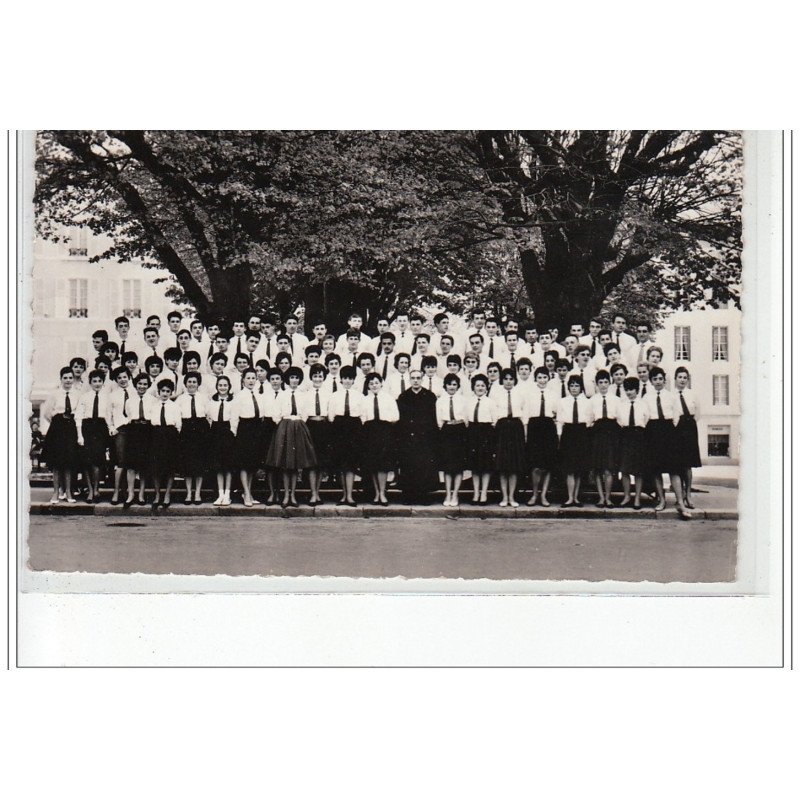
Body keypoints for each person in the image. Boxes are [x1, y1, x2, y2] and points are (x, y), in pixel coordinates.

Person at [642, 366, 691, 519]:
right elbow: (644, 416)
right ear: (651, 381)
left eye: (660, 379)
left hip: (669, 431)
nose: (658, 382)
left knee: (673, 469)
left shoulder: (671, 397)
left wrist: (670, 431)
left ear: (664, 380)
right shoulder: (646, 398)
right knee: (656, 469)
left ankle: (680, 502)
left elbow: (676, 416)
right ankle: (662, 500)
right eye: (655, 379)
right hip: (653, 431)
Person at [266, 366, 317, 508]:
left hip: (298, 426)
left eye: (296, 378)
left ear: (300, 380)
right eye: (292, 377)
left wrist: (298, 423)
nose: (294, 380)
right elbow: (276, 413)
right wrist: (284, 424)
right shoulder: (282, 394)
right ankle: (285, 495)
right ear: (287, 380)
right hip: (285, 426)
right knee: (285, 465)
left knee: (294, 465)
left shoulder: (303, 395)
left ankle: (293, 495)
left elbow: (305, 413)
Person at [396, 369, 440, 504]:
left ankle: (423, 496)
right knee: (408, 466)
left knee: (423, 466)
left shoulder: (429, 396)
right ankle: (409, 496)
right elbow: (401, 419)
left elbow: (433, 418)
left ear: (422, 379)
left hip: (424, 438)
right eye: (413, 378)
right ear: (409, 380)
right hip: (408, 438)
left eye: (418, 378)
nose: (416, 380)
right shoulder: (403, 397)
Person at [40, 366, 81, 504]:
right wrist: (58, 423)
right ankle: (56, 493)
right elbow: (46, 413)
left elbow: (79, 412)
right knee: (57, 463)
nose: (68, 380)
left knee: (69, 462)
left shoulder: (77, 394)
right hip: (58, 429)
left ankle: (68, 492)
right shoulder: (55, 394)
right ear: (61, 379)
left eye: (70, 378)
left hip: (71, 428)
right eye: (65, 378)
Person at [360, 372, 400, 506]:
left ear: (381, 383)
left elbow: (395, 416)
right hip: (370, 431)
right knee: (373, 464)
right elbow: (362, 417)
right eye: (371, 383)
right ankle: (376, 493)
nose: (374, 385)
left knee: (382, 464)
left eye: (376, 382)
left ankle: (383, 493)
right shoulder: (364, 399)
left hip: (384, 430)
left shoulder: (389, 398)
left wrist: (385, 427)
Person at [327, 365, 363, 506]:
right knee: (341, 464)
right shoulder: (335, 396)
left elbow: (362, 414)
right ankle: (343, 495)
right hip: (339, 428)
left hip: (354, 428)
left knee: (351, 464)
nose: (347, 381)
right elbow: (331, 416)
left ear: (353, 380)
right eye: (345, 378)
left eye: (350, 378)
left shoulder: (359, 396)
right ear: (341, 380)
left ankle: (350, 495)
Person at [230, 368, 266, 507]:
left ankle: (249, 492)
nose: (251, 380)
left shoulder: (259, 395)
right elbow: (234, 418)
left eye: (253, 378)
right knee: (244, 463)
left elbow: (261, 413)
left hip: (256, 428)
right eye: (248, 378)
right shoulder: (239, 397)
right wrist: (236, 434)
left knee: (252, 464)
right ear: (243, 380)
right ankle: (245, 492)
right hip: (245, 429)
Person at [75, 369, 111, 503]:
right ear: (90, 383)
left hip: (100, 428)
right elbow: (78, 416)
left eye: (99, 381)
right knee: (86, 462)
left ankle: (96, 489)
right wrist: (80, 435)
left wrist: (110, 429)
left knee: (97, 461)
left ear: (103, 382)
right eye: (94, 381)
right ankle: (89, 490)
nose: (97, 383)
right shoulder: (85, 397)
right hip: (87, 427)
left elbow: (108, 416)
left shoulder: (107, 397)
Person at [492, 367, 527, 507]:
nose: (508, 382)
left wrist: (524, 431)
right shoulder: (496, 394)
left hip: (516, 428)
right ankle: (504, 497)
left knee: (513, 466)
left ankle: (512, 497)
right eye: (505, 379)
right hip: (502, 428)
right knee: (503, 465)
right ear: (502, 380)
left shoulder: (520, 393)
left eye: (511, 379)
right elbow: (494, 412)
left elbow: (525, 411)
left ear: (515, 380)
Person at [557, 375, 593, 507]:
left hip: (581, 433)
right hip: (568, 433)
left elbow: (590, 419)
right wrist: (560, 436)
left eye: (576, 385)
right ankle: (569, 497)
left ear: (581, 387)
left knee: (578, 468)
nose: (574, 388)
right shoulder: (563, 401)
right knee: (569, 468)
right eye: (571, 385)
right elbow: (560, 420)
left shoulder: (587, 402)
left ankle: (576, 498)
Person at [525, 366, 558, 507]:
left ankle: (544, 495)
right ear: (535, 379)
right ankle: (534, 494)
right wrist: (526, 433)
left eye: (545, 377)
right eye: (539, 377)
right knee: (536, 465)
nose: (542, 380)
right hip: (534, 427)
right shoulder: (530, 394)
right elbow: (526, 415)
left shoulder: (553, 394)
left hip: (548, 426)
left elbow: (557, 413)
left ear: (549, 379)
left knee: (547, 465)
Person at [121, 373, 156, 508]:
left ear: (148, 385)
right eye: (140, 384)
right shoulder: (129, 401)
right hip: (133, 431)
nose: (142, 386)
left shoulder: (153, 400)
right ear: (135, 385)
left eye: (145, 384)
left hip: (147, 431)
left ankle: (141, 494)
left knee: (143, 465)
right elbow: (128, 415)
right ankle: (131, 494)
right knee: (131, 465)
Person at [588, 370, 621, 508]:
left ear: (610, 383)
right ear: (596, 384)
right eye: (600, 382)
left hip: (612, 431)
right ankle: (601, 498)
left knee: (609, 468)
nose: (603, 385)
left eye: (605, 382)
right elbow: (589, 420)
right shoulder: (592, 400)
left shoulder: (617, 400)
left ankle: (608, 498)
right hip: (597, 432)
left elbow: (620, 419)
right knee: (598, 468)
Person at [177, 372, 210, 505]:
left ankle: (197, 493)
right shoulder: (180, 399)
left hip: (201, 429)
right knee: (188, 464)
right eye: (189, 382)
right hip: (186, 430)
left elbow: (209, 414)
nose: (192, 384)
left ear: (198, 384)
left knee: (199, 463)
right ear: (185, 384)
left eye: (194, 382)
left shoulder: (204, 398)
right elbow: (177, 416)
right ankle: (189, 493)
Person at [148, 378, 182, 510]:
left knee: (169, 467)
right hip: (156, 435)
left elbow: (178, 425)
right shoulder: (154, 406)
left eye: (168, 391)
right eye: (163, 391)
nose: (165, 394)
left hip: (170, 436)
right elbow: (152, 422)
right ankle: (157, 495)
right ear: (158, 392)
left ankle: (167, 494)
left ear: (171, 392)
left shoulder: (174, 406)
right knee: (156, 468)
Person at [616, 376, 649, 509]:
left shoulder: (643, 405)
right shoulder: (621, 405)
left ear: (637, 390)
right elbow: (619, 420)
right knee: (624, 469)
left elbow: (646, 419)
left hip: (639, 435)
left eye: (632, 389)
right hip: (625, 435)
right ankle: (627, 496)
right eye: (627, 390)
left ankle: (637, 498)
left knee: (638, 470)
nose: (629, 392)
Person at [301, 365, 331, 506]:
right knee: (312, 463)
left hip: (324, 426)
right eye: (315, 376)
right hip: (311, 425)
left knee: (320, 463)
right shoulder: (306, 394)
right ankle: (312, 493)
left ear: (324, 378)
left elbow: (330, 413)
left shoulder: (328, 393)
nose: (317, 379)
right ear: (311, 377)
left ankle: (318, 492)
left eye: (320, 376)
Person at [436, 374, 468, 507]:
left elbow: (466, 418)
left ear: (458, 386)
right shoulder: (440, 400)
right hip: (447, 430)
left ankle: (455, 494)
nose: (452, 387)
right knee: (448, 466)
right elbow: (439, 419)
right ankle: (448, 493)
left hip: (460, 430)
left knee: (458, 465)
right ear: (445, 386)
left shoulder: (463, 400)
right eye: (449, 384)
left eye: (454, 384)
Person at [464, 374, 497, 505]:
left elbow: (494, 420)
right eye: (477, 385)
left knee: (485, 465)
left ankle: (484, 493)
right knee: (475, 466)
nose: (480, 388)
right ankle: (476, 492)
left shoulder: (490, 402)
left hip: (486, 432)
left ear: (487, 387)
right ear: (473, 387)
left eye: (483, 385)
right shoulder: (469, 402)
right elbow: (466, 419)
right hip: (473, 431)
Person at [673, 367, 702, 510]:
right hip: (676, 430)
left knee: (688, 464)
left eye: (685, 377)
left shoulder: (692, 394)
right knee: (677, 463)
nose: (682, 380)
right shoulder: (671, 395)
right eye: (680, 377)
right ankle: (680, 494)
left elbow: (698, 413)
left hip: (689, 428)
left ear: (687, 380)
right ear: (675, 379)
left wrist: (689, 423)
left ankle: (688, 494)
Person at [206, 375, 236, 507]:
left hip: (228, 432)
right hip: (215, 432)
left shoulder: (233, 402)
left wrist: (232, 433)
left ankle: (228, 494)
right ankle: (220, 494)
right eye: (220, 385)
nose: (222, 388)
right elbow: (209, 417)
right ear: (216, 387)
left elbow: (235, 419)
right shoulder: (212, 402)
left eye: (225, 385)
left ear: (229, 387)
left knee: (228, 465)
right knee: (218, 465)